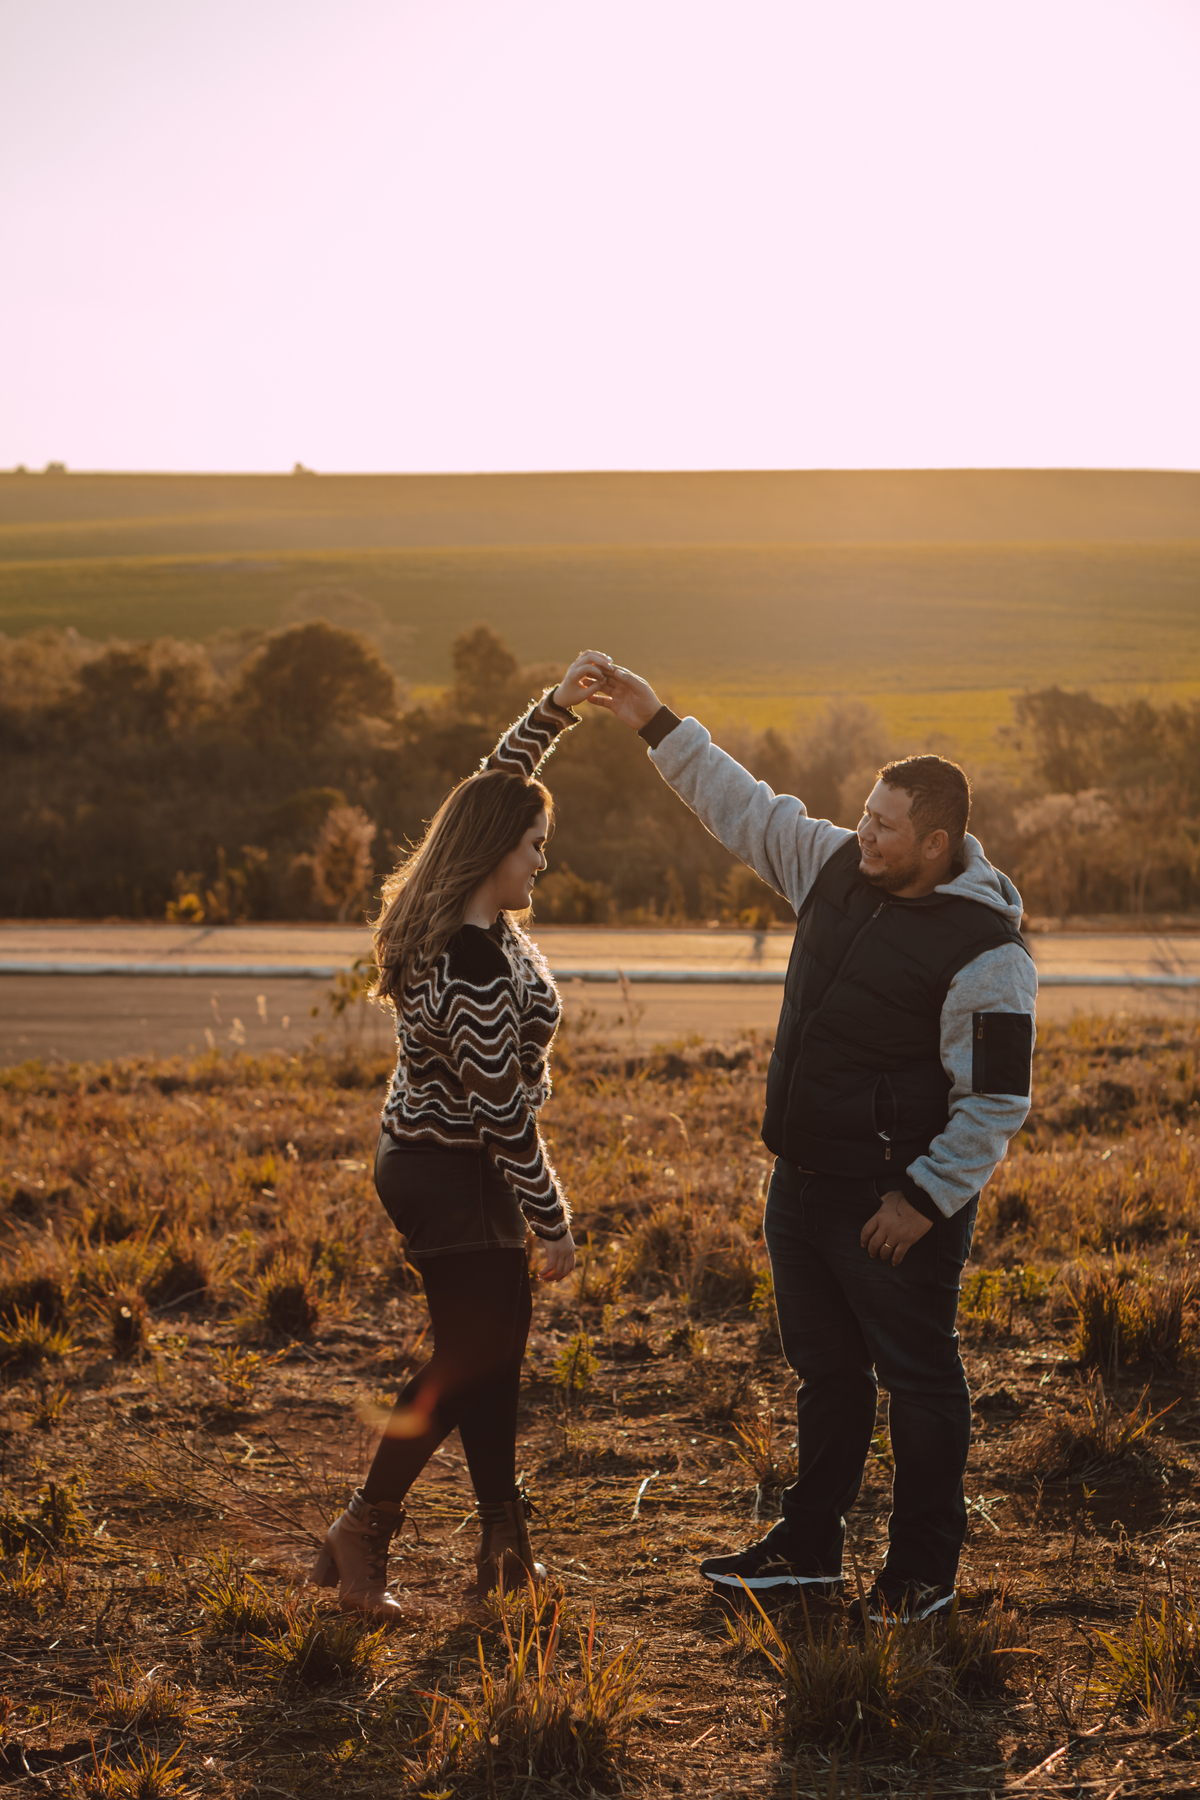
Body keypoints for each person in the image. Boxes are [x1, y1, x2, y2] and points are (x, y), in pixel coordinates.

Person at [590, 662, 1037, 1623]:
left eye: (883, 825)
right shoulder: (835, 863)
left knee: (920, 1379)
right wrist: (653, 719)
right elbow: (741, 805)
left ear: (936, 841)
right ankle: (808, 1549)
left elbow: (996, 1100)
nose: (862, 832)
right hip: (800, 1187)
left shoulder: (988, 950)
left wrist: (920, 1202)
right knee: (826, 1372)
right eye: (863, 815)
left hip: (891, 1206)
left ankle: (922, 1573)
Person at [312, 651, 611, 1621]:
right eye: (533, 846)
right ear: (494, 854)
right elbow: (501, 1114)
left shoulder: (473, 913)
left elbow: (495, 784)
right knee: (471, 1353)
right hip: (447, 1167)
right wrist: (554, 1222)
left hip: (454, 1159)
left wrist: (554, 710)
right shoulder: (473, 963)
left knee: (490, 1347)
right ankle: (364, 1534)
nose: (542, 860)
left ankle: (501, 1551)